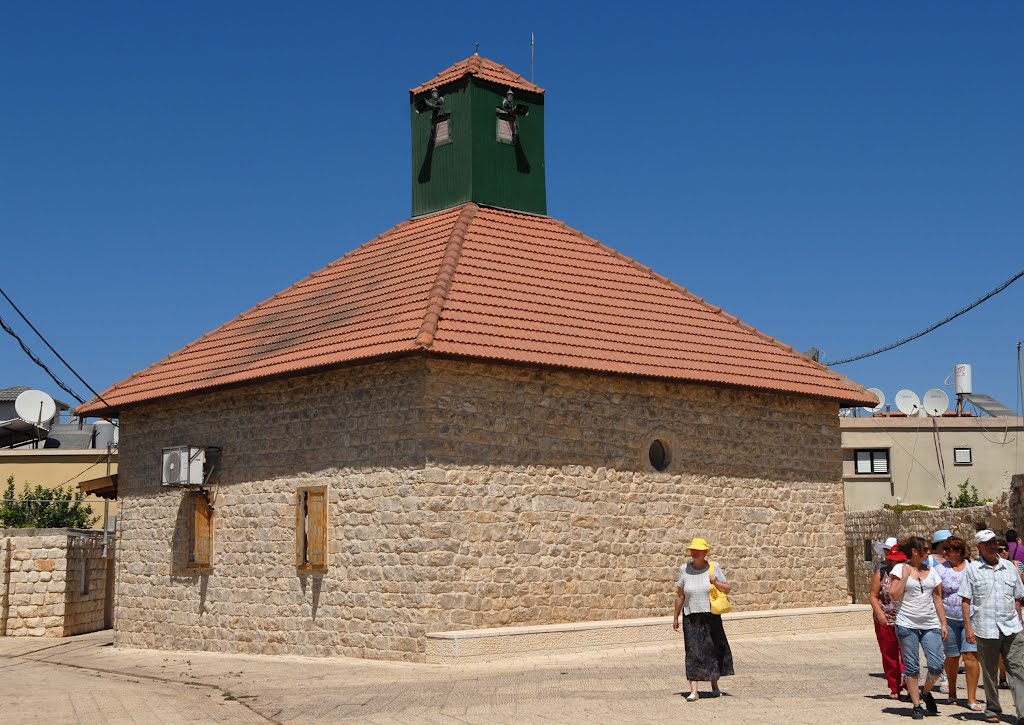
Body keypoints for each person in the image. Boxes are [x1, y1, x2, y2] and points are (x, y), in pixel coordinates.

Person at [961, 529, 1024, 724]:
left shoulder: (1009, 567)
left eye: (994, 542)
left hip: (1011, 626)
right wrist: (969, 629)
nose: (991, 546)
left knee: (1018, 670)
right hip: (985, 627)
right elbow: (966, 601)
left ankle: (1022, 713)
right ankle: (992, 709)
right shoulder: (972, 569)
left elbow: (1017, 598)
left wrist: (1020, 623)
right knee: (989, 672)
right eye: (987, 543)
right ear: (978, 546)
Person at [890, 535, 948, 720]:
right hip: (907, 623)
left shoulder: (933, 571)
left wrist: (943, 622)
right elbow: (894, 596)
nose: (928, 552)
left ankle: (926, 691)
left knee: (937, 665)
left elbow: (938, 599)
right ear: (914, 551)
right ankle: (916, 705)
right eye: (925, 549)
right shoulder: (900, 569)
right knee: (912, 666)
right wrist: (906, 576)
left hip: (930, 624)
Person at [672, 537, 734, 701]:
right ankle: (694, 691)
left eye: (698, 550)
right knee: (693, 652)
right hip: (691, 617)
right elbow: (680, 595)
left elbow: (727, 588)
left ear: (705, 552)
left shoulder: (714, 568)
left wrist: (716, 582)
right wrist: (675, 617)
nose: (694, 552)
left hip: (710, 616)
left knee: (712, 649)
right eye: (692, 550)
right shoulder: (684, 569)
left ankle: (715, 686)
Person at [938, 536, 982, 711]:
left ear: (958, 551)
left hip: (970, 618)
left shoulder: (972, 568)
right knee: (952, 656)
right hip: (949, 618)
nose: (944, 552)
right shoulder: (941, 569)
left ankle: (972, 698)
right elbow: (938, 596)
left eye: (948, 549)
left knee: (971, 656)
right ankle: (952, 691)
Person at [870, 541, 907, 699]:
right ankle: (894, 686)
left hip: (906, 618)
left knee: (907, 654)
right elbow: (873, 595)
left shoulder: (909, 573)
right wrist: (879, 614)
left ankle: (907, 684)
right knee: (889, 655)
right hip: (885, 618)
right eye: (895, 560)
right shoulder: (882, 573)